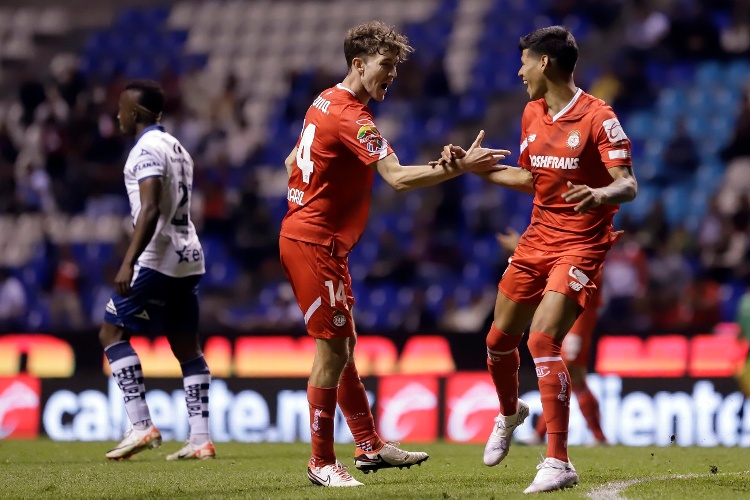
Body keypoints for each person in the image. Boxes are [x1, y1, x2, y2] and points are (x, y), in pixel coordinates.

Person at [279, 20, 509, 488]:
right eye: (385, 66)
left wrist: (312, 191)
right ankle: (321, 462)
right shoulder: (352, 116)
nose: (392, 76)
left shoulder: (324, 100)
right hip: (312, 242)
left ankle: (368, 446)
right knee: (331, 351)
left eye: (396, 69)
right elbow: (398, 178)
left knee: (344, 346)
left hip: (316, 237)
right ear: (359, 64)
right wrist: (459, 168)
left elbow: (290, 161)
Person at [437, 26, 637, 493]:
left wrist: (602, 192)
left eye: (524, 61)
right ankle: (510, 414)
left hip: (581, 242)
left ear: (545, 63)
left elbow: (627, 184)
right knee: (497, 341)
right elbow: (531, 179)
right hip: (536, 240)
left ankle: (558, 461)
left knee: (543, 341)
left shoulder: (598, 117)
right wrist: (471, 167)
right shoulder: (532, 113)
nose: (519, 71)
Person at [99, 80, 215, 461]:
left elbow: (149, 209)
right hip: (190, 254)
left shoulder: (145, 149)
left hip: (157, 256)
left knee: (111, 331)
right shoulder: (178, 147)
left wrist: (129, 260)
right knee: (187, 347)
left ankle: (140, 424)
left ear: (136, 113)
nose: (118, 114)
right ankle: (200, 439)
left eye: (122, 108)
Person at [496, 229, 608, 447]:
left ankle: (597, 436)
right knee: (566, 373)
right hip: (567, 314)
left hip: (579, 318)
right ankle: (590, 436)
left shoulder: (589, 251)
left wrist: (520, 245)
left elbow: (568, 267)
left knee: (571, 373)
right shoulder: (576, 247)